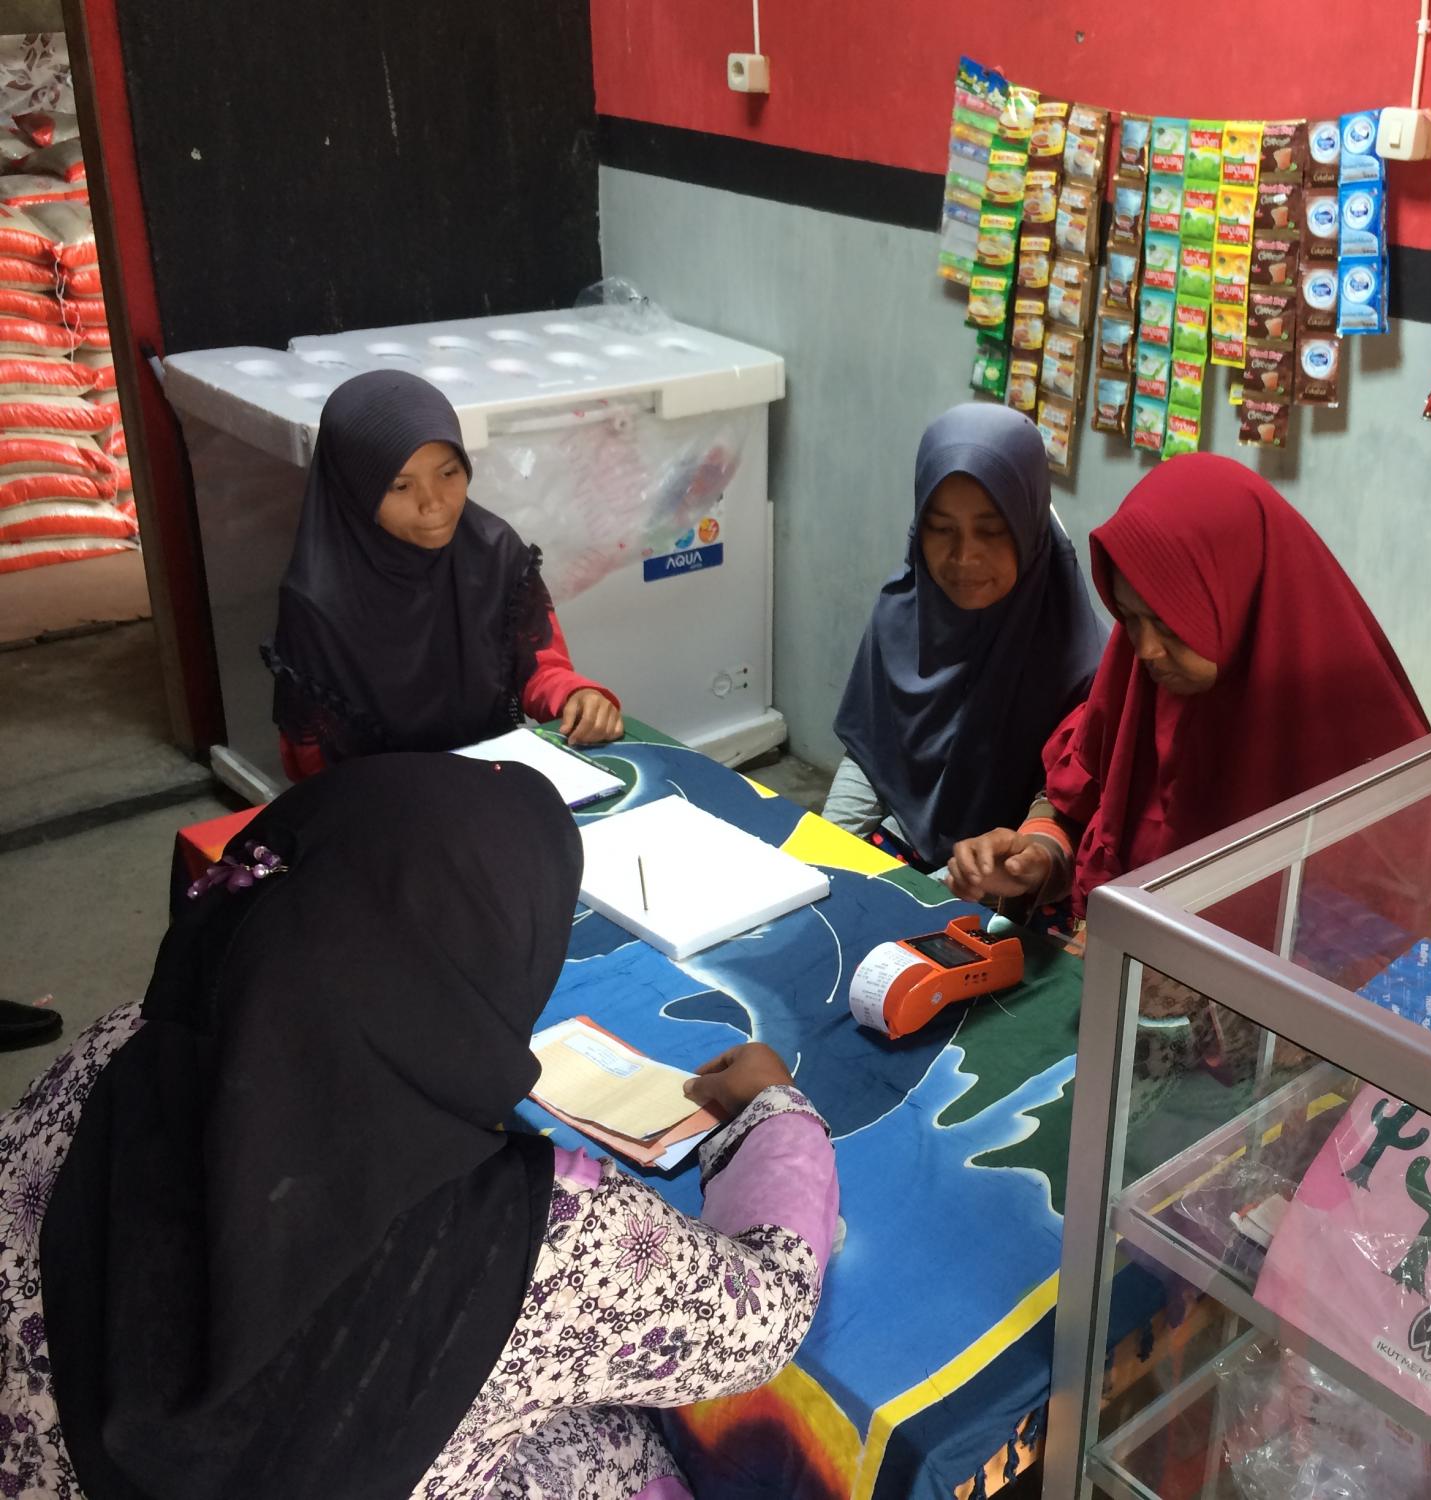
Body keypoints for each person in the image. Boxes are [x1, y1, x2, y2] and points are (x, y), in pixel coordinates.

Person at [3, 753, 836, 1500]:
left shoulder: (116, 1050)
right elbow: (761, 1319)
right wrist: (773, 1116)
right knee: (616, 1436)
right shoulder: (543, 1240)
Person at [946, 453, 1431, 926]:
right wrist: (1036, 857)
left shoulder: (1344, 718)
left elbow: (1384, 921)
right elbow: (1077, 799)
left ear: (1239, 600)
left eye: (1169, 624)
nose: (1146, 650)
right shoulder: (1138, 677)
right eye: (1130, 619)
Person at [263, 370, 623, 781]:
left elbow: (538, 665)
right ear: (354, 492)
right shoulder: (316, 599)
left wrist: (577, 696)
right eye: (400, 486)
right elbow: (310, 760)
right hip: (378, 800)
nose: (433, 503)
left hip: (489, 773)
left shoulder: (495, 551)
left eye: (448, 473)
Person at [825, 403, 1104, 872]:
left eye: (992, 531)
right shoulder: (902, 611)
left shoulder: (1083, 667)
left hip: (1011, 880)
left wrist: (960, 886)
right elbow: (872, 752)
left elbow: (1061, 820)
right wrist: (823, 851)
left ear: (1029, 526)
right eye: (940, 528)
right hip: (903, 832)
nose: (964, 556)